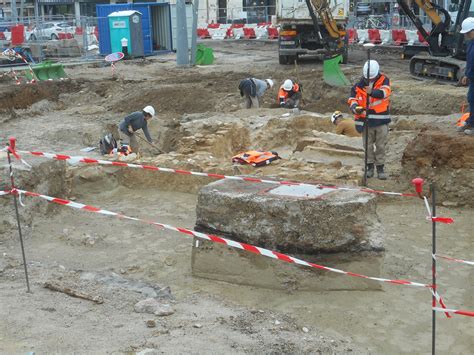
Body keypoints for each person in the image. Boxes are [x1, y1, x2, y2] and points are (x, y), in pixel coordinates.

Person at [348, 60, 391, 180]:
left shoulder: (384, 80)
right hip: (366, 121)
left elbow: (384, 93)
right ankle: (369, 167)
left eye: (372, 78)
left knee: (380, 146)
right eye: (368, 78)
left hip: (381, 121)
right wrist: (355, 107)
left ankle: (380, 168)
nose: (370, 80)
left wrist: (371, 92)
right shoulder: (358, 86)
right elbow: (352, 99)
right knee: (367, 146)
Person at [458, 17, 474, 136]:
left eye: (468, 33)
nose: (467, 35)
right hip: (472, 76)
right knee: (471, 99)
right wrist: (466, 75)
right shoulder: (470, 43)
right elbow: (470, 61)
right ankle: (471, 122)